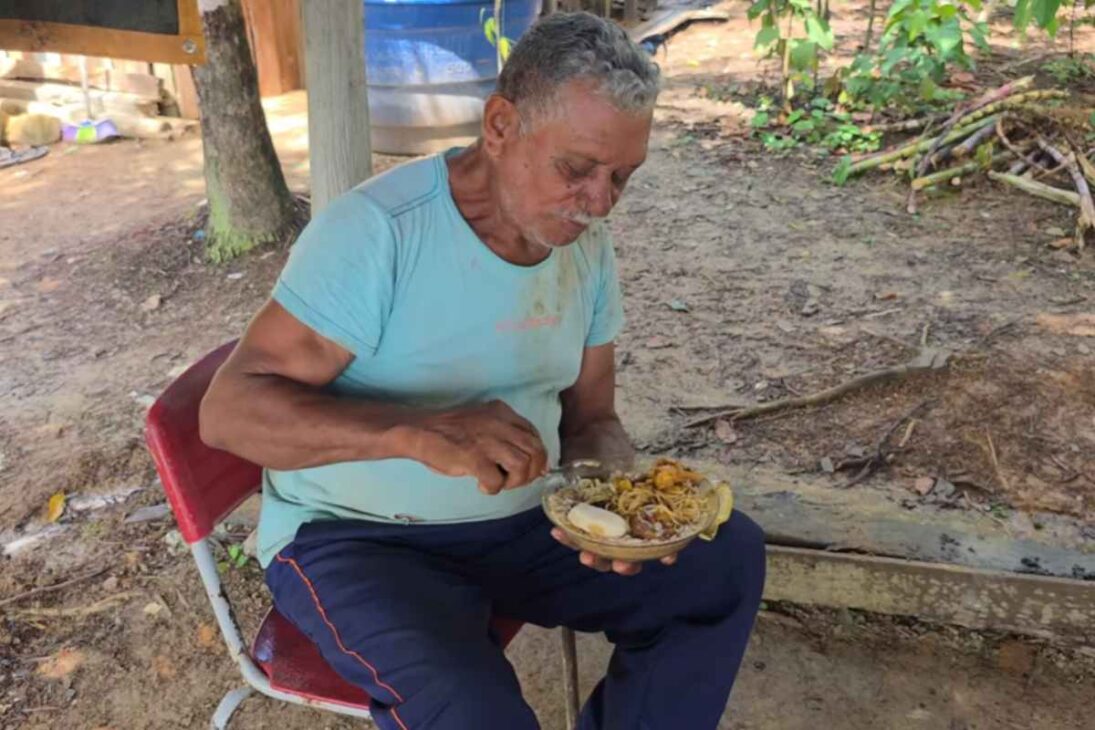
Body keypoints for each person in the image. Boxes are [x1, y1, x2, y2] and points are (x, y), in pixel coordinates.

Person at [200, 12, 765, 730]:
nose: (599, 202)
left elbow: (591, 418)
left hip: (524, 522)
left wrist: (614, 508)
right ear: (499, 125)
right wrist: (416, 431)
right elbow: (228, 414)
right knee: (471, 714)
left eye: (623, 176)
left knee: (723, 560)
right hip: (357, 538)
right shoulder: (379, 234)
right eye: (577, 168)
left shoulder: (581, 246)